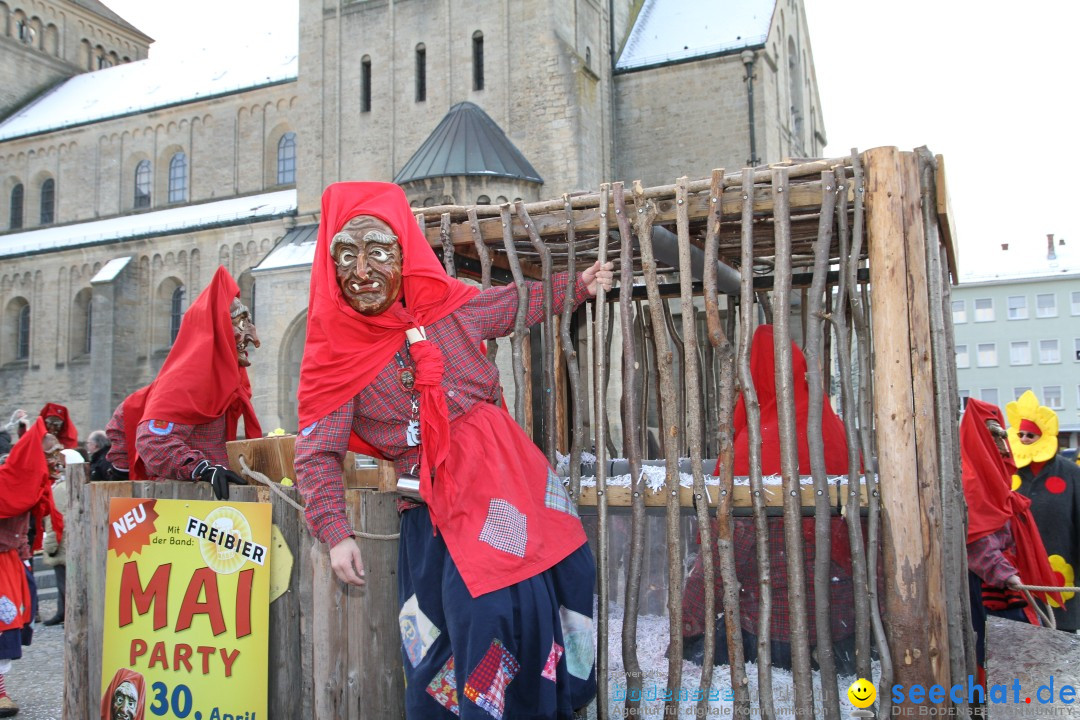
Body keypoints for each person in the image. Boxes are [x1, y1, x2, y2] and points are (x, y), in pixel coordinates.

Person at [294, 182, 611, 719]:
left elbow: (511, 305)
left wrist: (574, 287)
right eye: (347, 255)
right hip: (439, 505)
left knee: (564, 581)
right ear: (330, 266)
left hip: (509, 477)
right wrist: (336, 532)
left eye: (379, 252)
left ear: (404, 254)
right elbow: (316, 453)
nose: (363, 271)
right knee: (474, 622)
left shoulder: (445, 308)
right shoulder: (335, 352)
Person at [679, 324, 858, 673]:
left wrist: (686, 628)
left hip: (773, 634)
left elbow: (722, 556)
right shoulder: (832, 429)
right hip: (842, 631)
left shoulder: (755, 446)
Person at [105, 266, 262, 499]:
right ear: (217, 331)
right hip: (182, 505)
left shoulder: (219, 383)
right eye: (240, 324)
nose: (253, 338)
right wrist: (201, 469)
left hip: (213, 504)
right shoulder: (183, 384)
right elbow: (153, 442)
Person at [960, 398, 1061, 685]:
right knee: (997, 652)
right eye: (995, 436)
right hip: (989, 584)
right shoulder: (971, 478)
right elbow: (977, 538)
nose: (1004, 445)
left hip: (1006, 579)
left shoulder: (990, 473)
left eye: (1003, 435)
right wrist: (1006, 575)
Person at [0, 419, 62, 718]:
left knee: (8, 623)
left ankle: (0, 691)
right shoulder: (9, 487)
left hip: (9, 561)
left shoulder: (24, 487)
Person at [1007, 390, 1080, 631]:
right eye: (1021, 434)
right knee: (1017, 658)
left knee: (1059, 660)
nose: (1026, 439)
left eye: (1031, 434)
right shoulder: (1007, 474)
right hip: (1014, 590)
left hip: (1060, 586)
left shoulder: (1071, 475)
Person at [41, 445, 68, 626]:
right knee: (62, 581)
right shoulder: (59, 485)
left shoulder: (61, 488)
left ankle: (67, 613)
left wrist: (51, 541)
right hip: (61, 537)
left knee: (66, 583)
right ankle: (62, 611)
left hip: (64, 538)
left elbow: (58, 518)